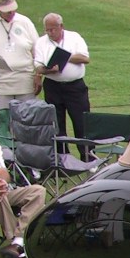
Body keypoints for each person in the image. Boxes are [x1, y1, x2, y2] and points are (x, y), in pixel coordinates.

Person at [33, 13, 92, 160]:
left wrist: (64, 56)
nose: (50, 33)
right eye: (47, 30)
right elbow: (38, 67)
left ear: (61, 27)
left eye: (53, 29)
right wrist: (49, 70)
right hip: (53, 86)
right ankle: (62, 157)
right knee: (56, 123)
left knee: (81, 121)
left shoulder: (74, 37)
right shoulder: (41, 42)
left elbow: (85, 58)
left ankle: (88, 155)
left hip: (75, 87)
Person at [0, 135, 46, 258]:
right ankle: (17, 241)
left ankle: (18, 242)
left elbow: (1, 170)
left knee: (38, 191)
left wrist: (0, 182)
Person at [0, 0, 40, 110]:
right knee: (1, 122)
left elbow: (38, 51)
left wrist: (38, 75)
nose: (11, 12)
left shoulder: (25, 22)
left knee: (27, 121)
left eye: (12, 9)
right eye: (7, 10)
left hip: (25, 82)